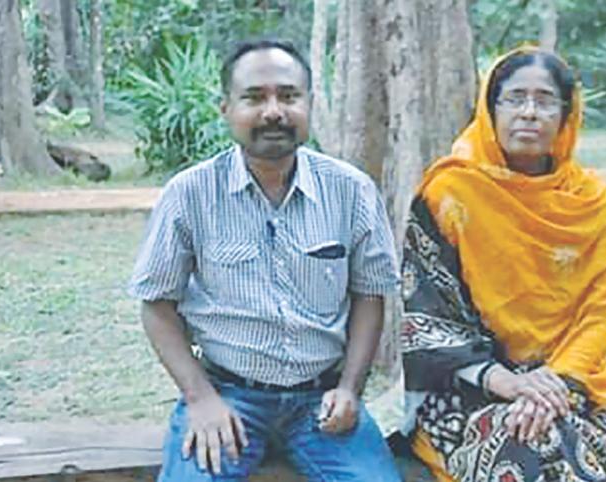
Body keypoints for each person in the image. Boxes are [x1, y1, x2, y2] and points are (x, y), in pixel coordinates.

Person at [129, 37, 402, 482]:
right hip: (227, 394)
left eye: (289, 96)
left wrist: (351, 388)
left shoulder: (351, 191)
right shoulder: (190, 194)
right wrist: (200, 398)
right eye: (254, 97)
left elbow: (370, 295)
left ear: (310, 104)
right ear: (225, 108)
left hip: (322, 401)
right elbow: (156, 303)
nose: (273, 111)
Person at [399, 46, 606, 482]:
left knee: (573, 448)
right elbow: (423, 318)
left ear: (566, 115)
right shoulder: (450, 194)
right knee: (524, 452)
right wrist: (506, 383)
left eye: (545, 100)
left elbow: (598, 311)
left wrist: (554, 384)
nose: (529, 112)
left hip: (566, 381)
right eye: (514, 98)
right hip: (467, 386)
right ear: (491, 109)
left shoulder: (589, 201)